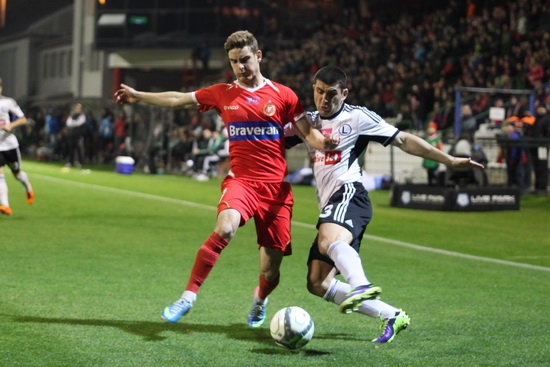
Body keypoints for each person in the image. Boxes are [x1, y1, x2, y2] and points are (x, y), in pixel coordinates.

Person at [114, 30, 338, 327]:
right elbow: (178, 99)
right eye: (234, 62)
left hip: (275, 191)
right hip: (241, 182)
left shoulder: (284, 95)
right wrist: (138, 96)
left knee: (271, 272)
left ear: (258, 56)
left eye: (245, 59)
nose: (241, 67)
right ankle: (188, 297)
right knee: (225, 228)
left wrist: (325, 144)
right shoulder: (223, 93)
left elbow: (309, 133)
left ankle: (260, 299)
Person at [285, 66, 485, 343]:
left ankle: (361, 284)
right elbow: (270, 138)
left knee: (326, 241)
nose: (324, 100)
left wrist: (449, 160)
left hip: (349, 194)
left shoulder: (357, 117)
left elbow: (403, 140)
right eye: (319, 92)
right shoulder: (308, 123)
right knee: (317, 282)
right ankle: (392, 315)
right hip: (331, 202)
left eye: (331, 94)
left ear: (344, 93)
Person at [0, 78, 34, 215]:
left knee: (17, 175)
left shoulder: (8, 102)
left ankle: (28, 187)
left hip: (10, 145)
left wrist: (11, 126)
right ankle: (5, 206)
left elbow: (23, 119)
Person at [64, 102, 87, 169]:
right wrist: (73, 123)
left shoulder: (82, 116)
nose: (77, 109)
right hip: (72, 134)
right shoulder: (72, 115)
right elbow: (68, 123)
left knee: (79, 149)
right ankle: (70, 162)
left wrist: (73, 123)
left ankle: (80, 163)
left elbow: (79, 123)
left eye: (79, 108)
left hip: (79, 135)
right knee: (71, 148)